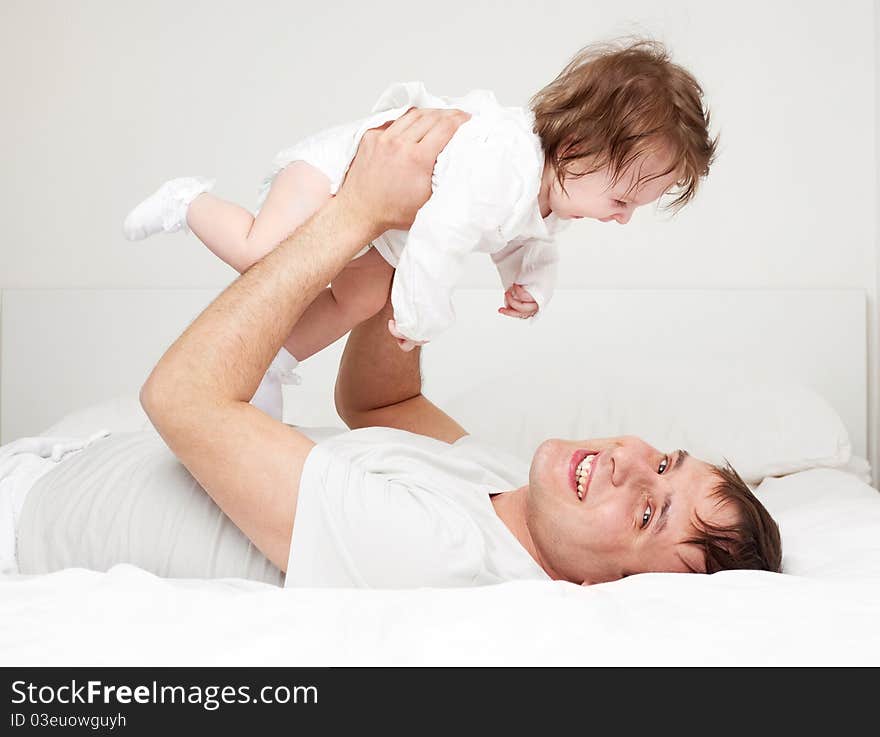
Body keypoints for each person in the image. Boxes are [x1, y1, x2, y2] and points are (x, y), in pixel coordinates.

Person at [12, 107, 781, 588]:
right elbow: (380, 403)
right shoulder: (505, 487)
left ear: (617, 590)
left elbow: (180, 397)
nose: (628, 461)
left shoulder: (441, 554)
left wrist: (355, 214)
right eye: (666, 461)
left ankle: (190, 200)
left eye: (649, 511)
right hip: (60, 459)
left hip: (17, 519)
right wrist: (420, 243)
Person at [122, 38, 716, 370]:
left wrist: (533, 284)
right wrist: (421, 315)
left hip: (381, 224)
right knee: (266, 255)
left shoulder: (547, 194)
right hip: (339, 172)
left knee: (358, 297)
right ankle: (188, 201)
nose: (622, 217)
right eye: (622, 198)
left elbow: (526, 239)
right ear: (580, 148)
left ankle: (277, 357)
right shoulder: (505, 161)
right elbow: (444, 235)